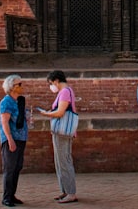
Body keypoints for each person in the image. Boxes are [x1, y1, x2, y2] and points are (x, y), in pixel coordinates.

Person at [38, 69, 78, 203]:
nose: (51, 86)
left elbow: (60, 112)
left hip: (62, 132)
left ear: (56, 81)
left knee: (64, 161)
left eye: (51, 83)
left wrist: (45, 114)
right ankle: (65, 190)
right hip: (61, 131)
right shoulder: (65, 92)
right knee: (60, 161)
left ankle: (70, 193)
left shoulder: (65, 92)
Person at [0, 74, 28, 207]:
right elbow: (4, 122)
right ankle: (6, 197)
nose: (21, 87)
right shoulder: (6, 102)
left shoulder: (19, 101)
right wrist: (10, 139)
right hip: (12, 138)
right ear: (11, 87)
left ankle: (12, 194)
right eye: (19, 85)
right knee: (9, 168)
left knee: (17, 167)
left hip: (21, 137)